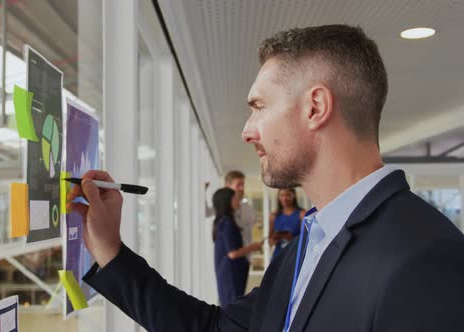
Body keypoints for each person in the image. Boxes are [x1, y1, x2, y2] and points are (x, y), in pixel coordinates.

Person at [68, 25, 464, 331]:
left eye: (259, 106)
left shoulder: (426, 258)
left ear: (315, 107)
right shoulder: (303, 248)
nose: (247, 130)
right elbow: (213, 328)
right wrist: (110, 250)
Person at [212, 188, 263, 306]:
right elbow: (233, 253)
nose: (238, 201)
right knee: (232, 305)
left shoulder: (222, 221)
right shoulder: (227, 222)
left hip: (229, 271)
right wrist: (253, 247)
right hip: (231, 272)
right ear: (227, 201)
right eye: (234, 198)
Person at [269, 188, 306, 260]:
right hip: (278, 256)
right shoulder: (273, 216)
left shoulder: (302, 214)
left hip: (295, 255)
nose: (284, 198)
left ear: (294, 195)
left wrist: (290, 238)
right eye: (281, 195)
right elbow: (270, 241)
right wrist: (275, 239)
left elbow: (305, 240)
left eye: (288, 195)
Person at [224, 170, 257, 248]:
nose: (242, 188)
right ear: (228, 186)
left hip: (246, 256)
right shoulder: (221, 207)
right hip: (228, 257)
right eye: (238, 185)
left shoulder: (249, 209)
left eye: (243, 184)